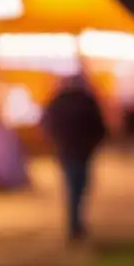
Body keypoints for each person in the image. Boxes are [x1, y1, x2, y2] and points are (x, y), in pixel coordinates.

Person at [40, 73, 107, 242]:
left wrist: (55, 142)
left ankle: (74, 223)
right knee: (80, 186)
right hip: (81, 151)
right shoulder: (86, 100)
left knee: (72, 186)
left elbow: (46, 123)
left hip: (67, 150)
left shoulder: (58, 101)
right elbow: (99, 126)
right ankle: (75, 223)